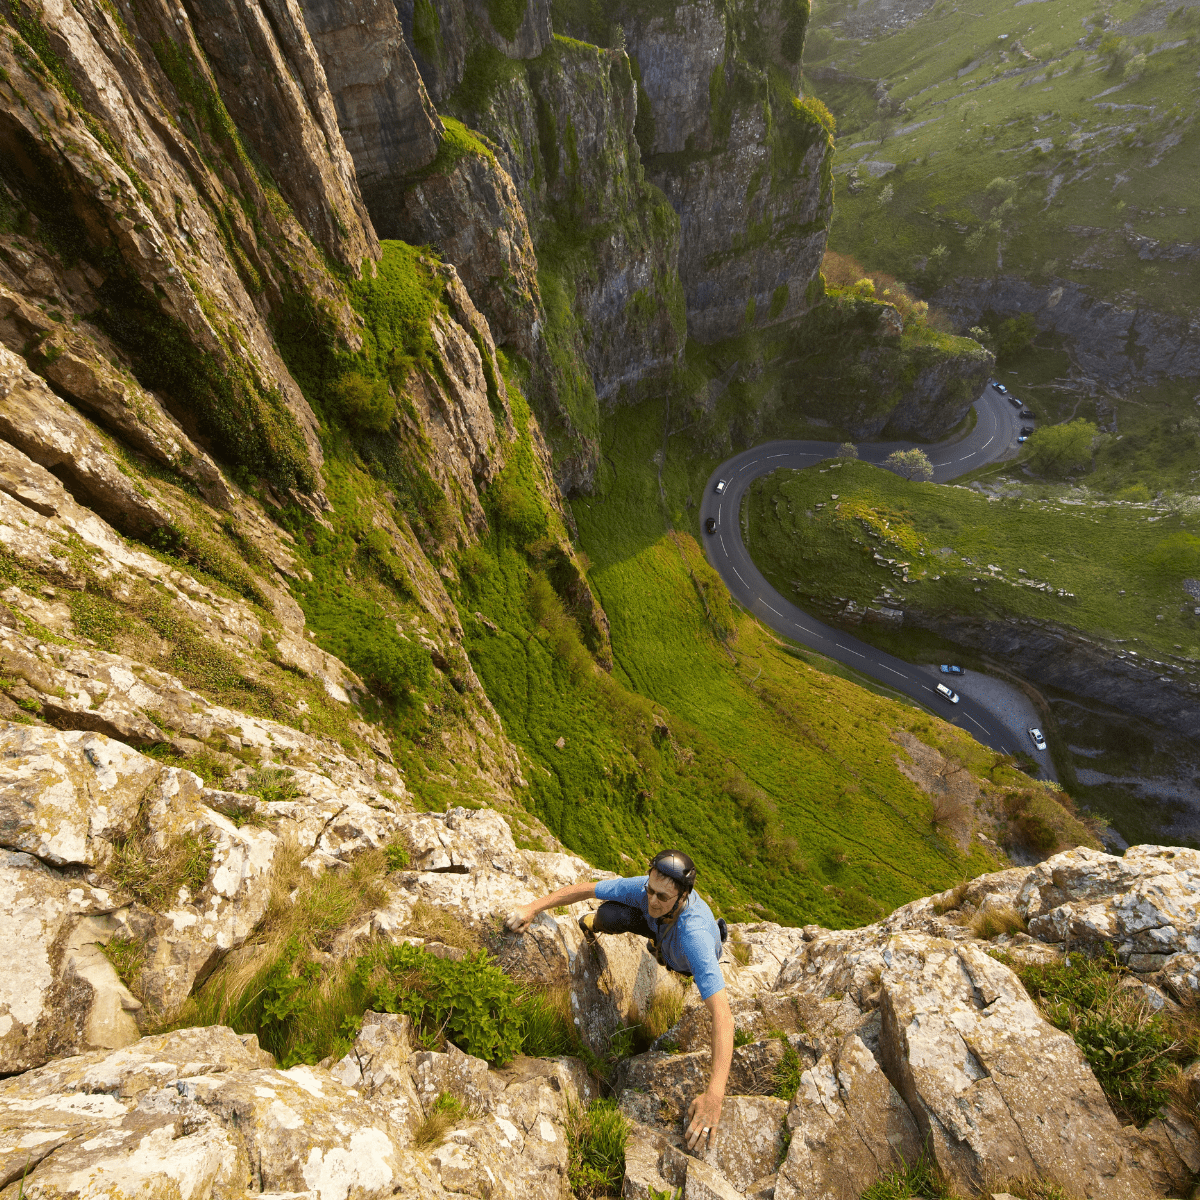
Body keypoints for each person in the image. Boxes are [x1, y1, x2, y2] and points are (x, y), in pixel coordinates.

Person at [505, 849, 731, 1153]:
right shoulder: (648, 891)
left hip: (683, 958)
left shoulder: (694, 937)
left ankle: (669, 948)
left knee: (677, 957)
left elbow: (723, 1016)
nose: (652, 899)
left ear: (683, 896)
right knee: (610, 913)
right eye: (650, 891)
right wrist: (533, 907)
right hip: (660, 928)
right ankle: (652, 940)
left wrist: (714, 1096)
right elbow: (585, 889)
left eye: (662, 897)